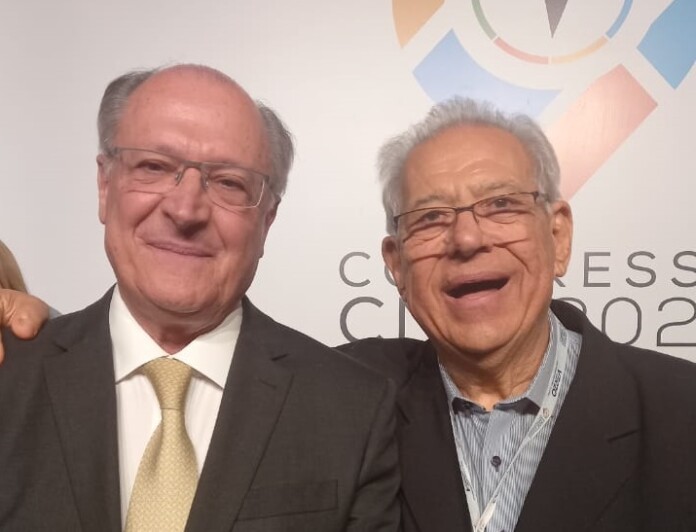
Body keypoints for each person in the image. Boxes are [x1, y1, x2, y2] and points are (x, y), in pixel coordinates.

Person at [5, 98, 696, 531]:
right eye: (431, 218)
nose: (466, 239)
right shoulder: (352, 391)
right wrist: (30, 326)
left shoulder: (682, 413)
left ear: (559, 235)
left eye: (501, 206)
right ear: (395, 264)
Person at [0, 64, 399, 531]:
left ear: (267, 220)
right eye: (154, 167)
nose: (185, 209)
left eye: (229, 182)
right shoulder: (10, 376)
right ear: (105, 186)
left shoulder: (352, 409)